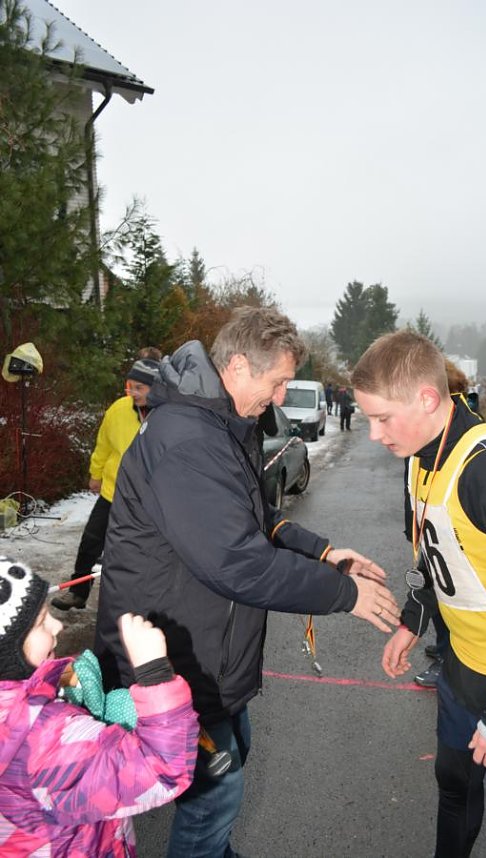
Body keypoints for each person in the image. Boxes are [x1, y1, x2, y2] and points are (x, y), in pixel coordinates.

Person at [94, 306, 400, 858]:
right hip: (172, 655)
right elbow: (238, 562)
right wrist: (345, 595)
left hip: (210, 651)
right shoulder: (188, 441)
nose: (282, 397)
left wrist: (324, 553)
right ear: (236, 366)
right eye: (277, 381)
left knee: (228, 770)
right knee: (215, 795)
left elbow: (255, 521)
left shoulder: (224, 426)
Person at [352, 330, 486, 858]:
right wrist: (413, 620)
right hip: (462, 669)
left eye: (382, 418)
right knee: (454, 786)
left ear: (428, 399)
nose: (373, 435)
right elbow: (437, 553)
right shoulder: (420, 455)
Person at [0, 556, 199, 856]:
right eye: (40, 623)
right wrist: (154, 672)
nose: (58, 625)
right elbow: (163, 771)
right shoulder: (42, 738)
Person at [51, 355, 161, 610]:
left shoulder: (166, 417)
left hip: (146, 500)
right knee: (90, 542)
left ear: (155, 388)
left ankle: (134, 603)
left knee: (135, 552)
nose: (132, 392)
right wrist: (96, 473)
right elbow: (103, 445)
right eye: (129, 386)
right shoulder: (118, 409)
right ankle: (78, 592)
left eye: (139, 388)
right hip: (113, 493)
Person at [411, 358, 471, 689]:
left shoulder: (461, 442)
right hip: (428, 534)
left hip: (448, 541)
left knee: (449, 600)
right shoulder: (429, 437)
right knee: (434, 597)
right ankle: (445, 648)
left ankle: (448, 661)